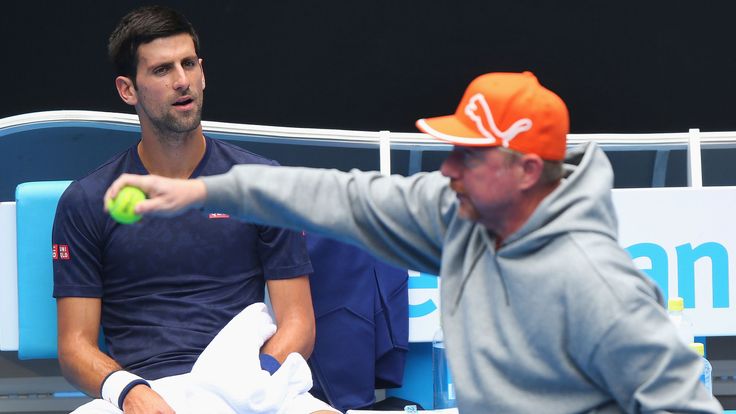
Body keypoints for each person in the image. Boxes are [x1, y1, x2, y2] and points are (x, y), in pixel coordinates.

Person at [106, 71, 724, 413]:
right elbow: (342, 197)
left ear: (527, 173)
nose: (447, 168)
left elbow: (683, 403)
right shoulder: (459, 210)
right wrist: (205, 192)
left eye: (471, 155)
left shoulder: (596, 282)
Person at [52, 5, 335, 413]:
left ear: (203, 71)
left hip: (249, 385)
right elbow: (74, 346)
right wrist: (131, 393)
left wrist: (252, 382)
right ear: (127, 89)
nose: (182, 81)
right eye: (162, 70)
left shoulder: (261, 184)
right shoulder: (87, 201)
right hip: (144, 393)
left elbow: (298, 325)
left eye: (189, 64)